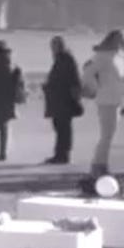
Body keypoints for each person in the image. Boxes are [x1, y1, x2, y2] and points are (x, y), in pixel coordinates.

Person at [82, 29, 124, 177]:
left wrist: (121, 103)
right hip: (106, 100)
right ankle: (98, 165)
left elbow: (118, 81)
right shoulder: (103, 57)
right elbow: (88, 73)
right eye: (123, 41)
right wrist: (95, 88)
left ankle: (101, 164)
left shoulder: (119, 58)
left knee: (109, 135)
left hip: (115, 101)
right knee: (106, 135)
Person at [42, 35, 82, 164]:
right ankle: (60, 154)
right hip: (60, 99)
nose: (52, 48)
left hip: (64, 99)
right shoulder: (61, 59)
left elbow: (72, 79)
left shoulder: (65, 59)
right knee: (60, 127)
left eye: (54, 45)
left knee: (63, 128)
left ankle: (62, 155)